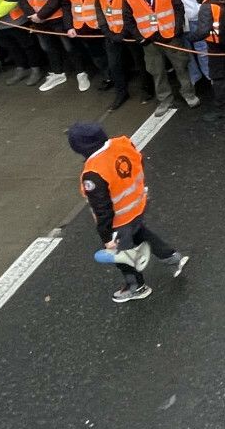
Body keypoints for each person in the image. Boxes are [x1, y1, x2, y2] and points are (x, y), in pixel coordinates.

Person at [69, 120, 187, 304]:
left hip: (118, 220)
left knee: (123, 255)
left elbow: (103, 210)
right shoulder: (122, 142)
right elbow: (138, 161)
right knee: (141, 233)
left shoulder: (93, 174)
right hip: (137, 205)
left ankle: (136, 287)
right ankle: (170, 257)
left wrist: (107, 237)